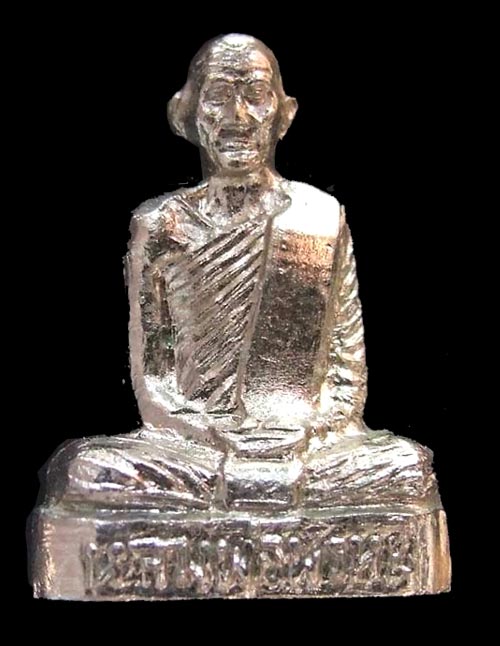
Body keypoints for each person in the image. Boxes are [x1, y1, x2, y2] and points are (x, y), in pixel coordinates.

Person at [44, 34, 435, 512]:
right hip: (199, 449)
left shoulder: (319, 218)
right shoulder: (161, 226)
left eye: (255, 95)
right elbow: (155, 386)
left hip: (303, 447)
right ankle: (256, 494)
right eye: (218, 96)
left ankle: (258, 492)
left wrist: (303, 436)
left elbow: (345, 379)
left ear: (283, 115)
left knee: (405, 465)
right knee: (92, 469)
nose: (239, 116)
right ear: (186, 115)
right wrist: (217, 440)